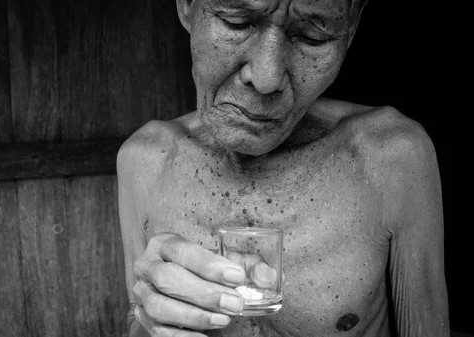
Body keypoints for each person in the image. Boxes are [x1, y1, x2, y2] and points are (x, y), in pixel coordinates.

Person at [117, 0, 450, 336]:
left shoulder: (388, 158)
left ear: (349, 31)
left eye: (312, 38)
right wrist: (151, 318)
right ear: (188, 5)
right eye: (237, 23)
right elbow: (139, 322)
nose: (266, 78)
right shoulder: (148, 160)